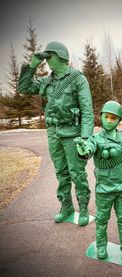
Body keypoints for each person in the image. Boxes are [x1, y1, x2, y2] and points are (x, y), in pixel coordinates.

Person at [18, 41, 94, 226]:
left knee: (77, 173)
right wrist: (32, 65)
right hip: (53, 133)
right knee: (61, 172)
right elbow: (23, 89)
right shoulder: (47, 81)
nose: (46, 60)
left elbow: (87, 110)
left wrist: (85, 138)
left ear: (60, 56)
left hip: (73, 134)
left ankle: (83, 208)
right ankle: (66, 206)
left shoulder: (77, 79)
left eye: (48, 56)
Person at [74, 100, 122, 261]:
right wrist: (83, 151)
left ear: (119, 120)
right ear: (102, 117)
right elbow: (88, 149)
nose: (109, 121)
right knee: (102, 220)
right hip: (104, 189)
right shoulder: (95, 139)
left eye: (113, 118)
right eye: (106, 117)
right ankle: (101, 246)